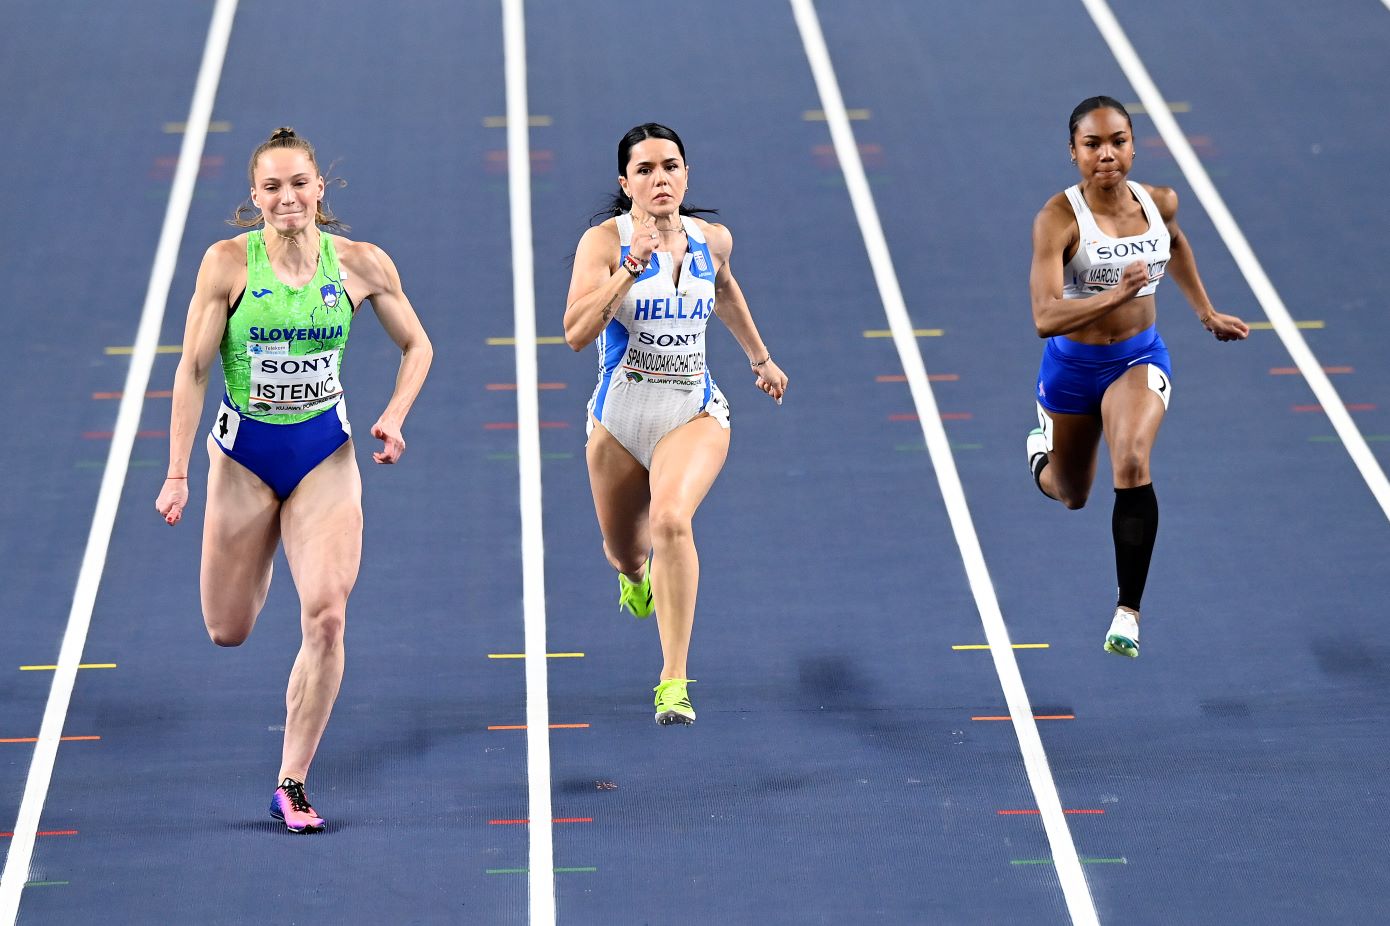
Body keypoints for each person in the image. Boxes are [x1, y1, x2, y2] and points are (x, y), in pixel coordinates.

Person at [154, 127, 432, 831]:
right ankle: (267, 543)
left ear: (319, 188)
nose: (287, 198)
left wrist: (395, 415)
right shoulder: (227, 264)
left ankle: (293, 782)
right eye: (272, 187)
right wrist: (177, 473)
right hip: (243, 459)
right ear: (254, 196)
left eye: (299, 183)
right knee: (227, 629)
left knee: (328, 615)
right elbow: (193, 369)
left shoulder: (362, 264)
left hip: (323, 455)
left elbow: (418, 344)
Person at [564, 123, 787, 724]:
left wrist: (759, 359)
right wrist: (630, 268)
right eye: (645, 170)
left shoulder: (712, 239)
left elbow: (726, 290)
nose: (659, 178)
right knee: (626, 552)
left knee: (671, 519)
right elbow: (576, 333)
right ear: (625, 182)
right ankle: (635, 577)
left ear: (686, 175)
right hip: (618, 421)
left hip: (694, 410)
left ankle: (673, 680)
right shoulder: (604, 244)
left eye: (670, 167)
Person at [1026, 96, 1247, 658]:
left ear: (1133, 146)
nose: (1107, 154)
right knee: (1072, 494)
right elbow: (1044, 317)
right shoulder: (1058, 219)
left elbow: (1175, 242)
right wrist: (1116, 294)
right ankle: (1040, 455)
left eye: (1118, 141)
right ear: (1073, 152)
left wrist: (1206, 312)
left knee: (1131, 459)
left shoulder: (1159, 201)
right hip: (1072, 367)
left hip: (1137, 358)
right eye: (1093, 144)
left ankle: (1127, 613)